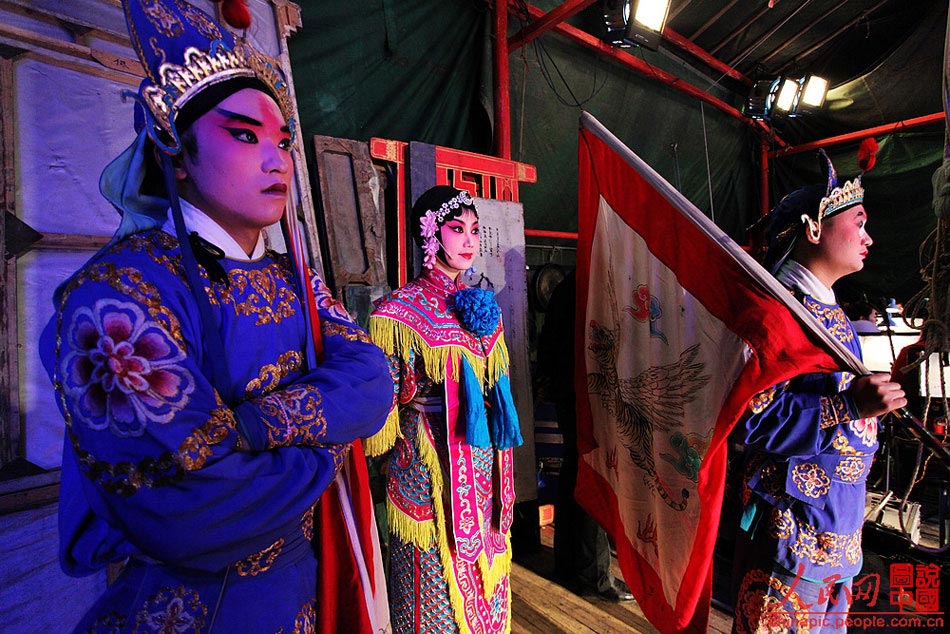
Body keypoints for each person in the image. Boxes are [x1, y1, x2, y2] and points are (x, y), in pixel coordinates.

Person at [38, 1, 393, 631]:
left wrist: (255, 425)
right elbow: (195, 511)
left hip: (300, 597)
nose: (278, 158)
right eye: (244, 135)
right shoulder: (115, 298)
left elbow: (371, 378)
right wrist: (331, 443)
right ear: (175, 155)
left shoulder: (293, 277)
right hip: (189, 609)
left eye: (282, 139)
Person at [731, 148, 907, 633]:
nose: (869, 237)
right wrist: (850, 404)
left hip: (838, 526)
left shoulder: (831, 314)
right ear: (814, 230)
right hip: (792, 528)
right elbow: (754, 418)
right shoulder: (777, 314)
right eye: (859, 221)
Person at [364, 186, 523, 633]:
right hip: (427, 464)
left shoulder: (482, 308)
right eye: (457, 229)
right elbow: (384, 407)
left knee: (486, 560)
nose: (469, 240)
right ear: (431, 234)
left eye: (474, 230)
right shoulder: (398, 312)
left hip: (481, 459)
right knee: (431, 574)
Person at [537, 270, 634, 602]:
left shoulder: (569, 284)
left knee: (574, 474)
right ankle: (593, 575)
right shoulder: (597, 286)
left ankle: (569, 566)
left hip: (571, 394)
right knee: (593, 477)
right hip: (592, 396)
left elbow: (547, 345)